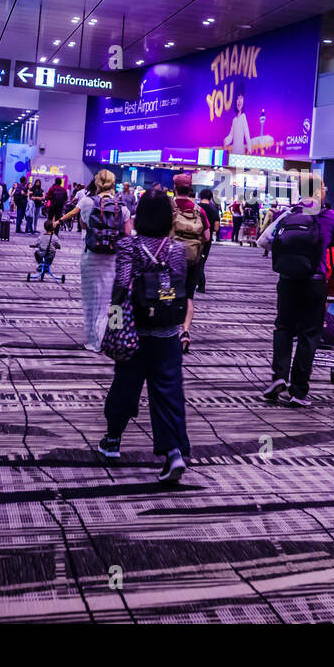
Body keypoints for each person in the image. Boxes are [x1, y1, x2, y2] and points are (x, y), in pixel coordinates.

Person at [96, 190, 190, 483]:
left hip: (134, 332)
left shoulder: (128, 246)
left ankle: (112, 441)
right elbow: (178, 289)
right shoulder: (177, 250)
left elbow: (121, 286)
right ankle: (173, 452)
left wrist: (114, 323)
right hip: (167, 333)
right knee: (169, 393)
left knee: (125, 384)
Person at [257, 173, 334, 407]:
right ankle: (298, 391)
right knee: (308, 334)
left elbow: (264, 242)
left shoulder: (289, 214)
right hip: (314, 281)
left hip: (287, 279)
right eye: (324, 188)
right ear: (320, 191)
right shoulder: (330, 216)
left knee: (283, 328)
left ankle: (279, 376)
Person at [58, 169, 131, 351]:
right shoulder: (122, 207)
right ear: (114, 184)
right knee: (113, 300)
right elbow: (128, 235)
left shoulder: (86, 202)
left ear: (97, 183)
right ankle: (114, 337)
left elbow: (83, 225)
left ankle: (93, 342)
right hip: (113, 258)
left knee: (92, 300)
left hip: (91, 256)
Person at [171, 174, 210, 352]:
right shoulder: (198, 210)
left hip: (170, 260)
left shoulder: (168, 207)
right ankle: (185, 331)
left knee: (168, 293)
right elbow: (208, 236)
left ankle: (169, 330)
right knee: (188, 296)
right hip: (192, 260)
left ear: (175, 187)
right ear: (190, 189)